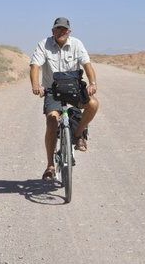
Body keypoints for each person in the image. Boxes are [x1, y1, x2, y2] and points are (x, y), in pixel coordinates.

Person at [30, 17, 99, 180]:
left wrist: (92, 83)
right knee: (52, 121)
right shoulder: (44, 44)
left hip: (74, 89)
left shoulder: (76, 44)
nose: (61, 32)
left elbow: (87, 65)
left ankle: (78, 134)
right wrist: (35, 84)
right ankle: (50, 166)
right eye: (57, 29)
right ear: (52, 31)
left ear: (69, 31)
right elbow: (35, 66)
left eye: (64, 29)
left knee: (94, 104)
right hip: (52, 91)